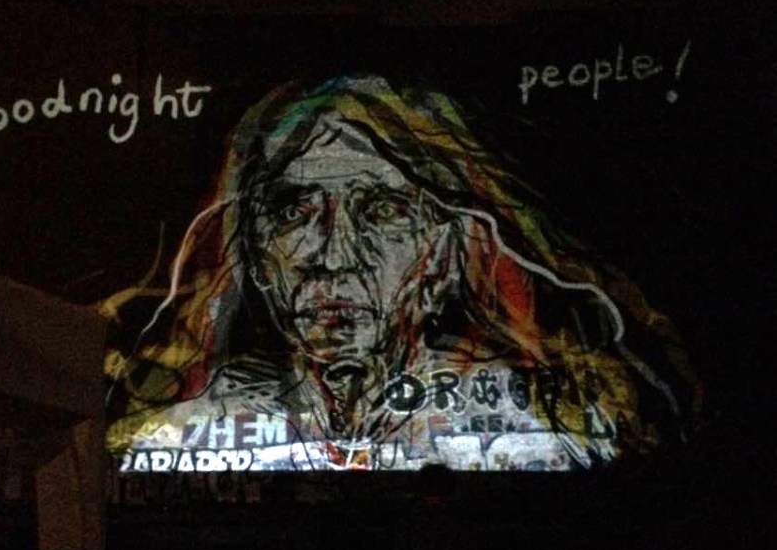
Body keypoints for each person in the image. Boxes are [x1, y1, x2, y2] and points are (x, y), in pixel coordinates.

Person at [105, 75, 697, 471]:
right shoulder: (178, 436)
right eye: (293, 213)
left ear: (444, 249)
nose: (335, 255)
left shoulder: (545, 430)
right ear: (255, 253)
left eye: (383, 211)